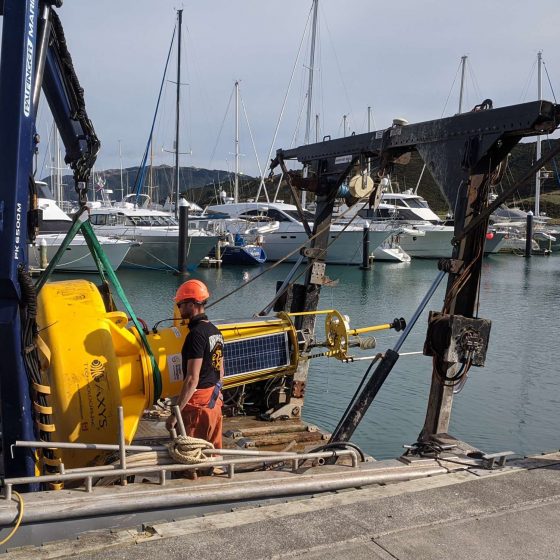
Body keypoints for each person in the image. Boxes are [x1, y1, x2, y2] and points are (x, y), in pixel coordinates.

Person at [166, 279, 224, 449]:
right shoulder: (215, 331)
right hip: (214, 401)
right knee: (210, 455)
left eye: (180, 304)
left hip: (198, 406)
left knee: (190, 457)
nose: (179, 309)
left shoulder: (196, 335)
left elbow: (192, 379)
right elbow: (221, 370)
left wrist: (175, 415)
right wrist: (218, 395)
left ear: (192, 304)